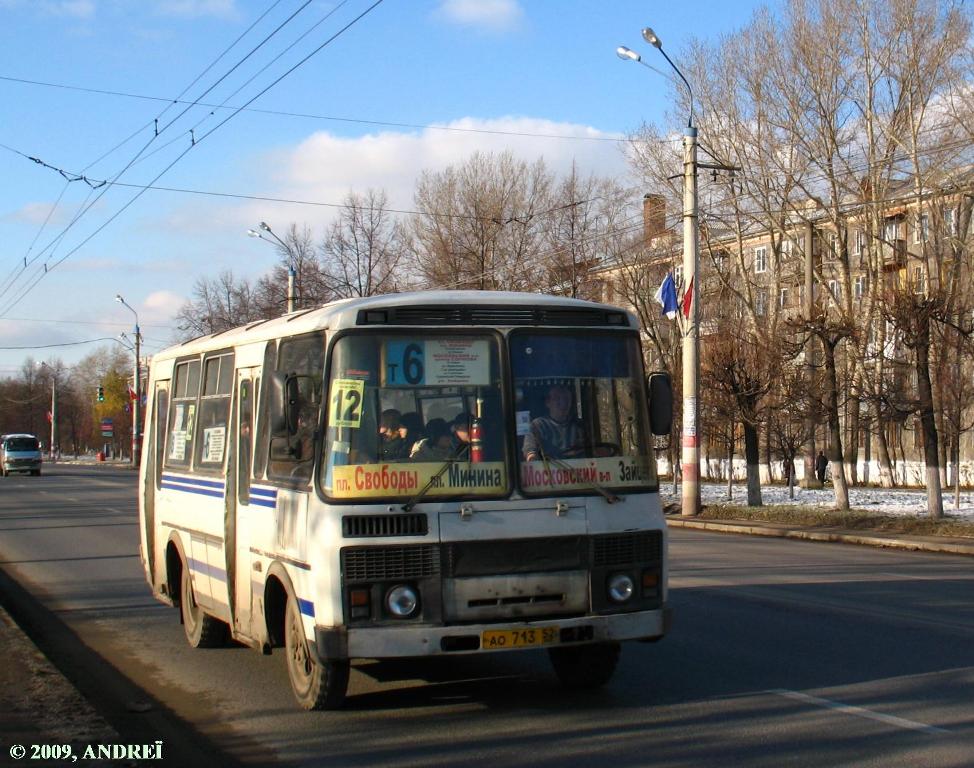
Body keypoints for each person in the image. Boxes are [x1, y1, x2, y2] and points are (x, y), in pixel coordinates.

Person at [522, 384, 584, 462]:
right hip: (548, 472)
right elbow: (530, 453)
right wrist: (533, 458)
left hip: (578, 472)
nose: (563, 402)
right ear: (548, 402)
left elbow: (589, 453)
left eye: (566, 398)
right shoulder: (537, 426)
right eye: (557, 398)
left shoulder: (579, 426)